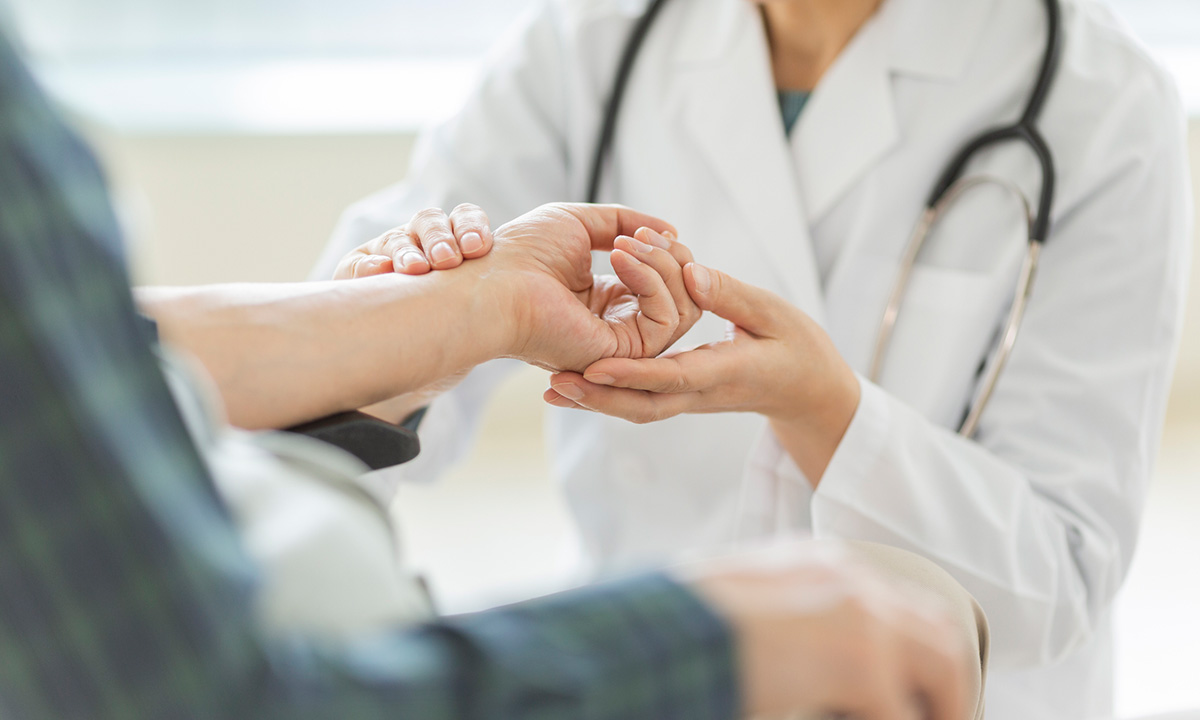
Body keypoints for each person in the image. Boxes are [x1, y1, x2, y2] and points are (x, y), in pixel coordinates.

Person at [0, 33, 990, 719]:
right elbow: (216, 702)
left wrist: (472, 308)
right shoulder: (587, 38)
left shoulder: (1099, 99)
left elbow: (93, 361)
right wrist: (702, 640)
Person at [315, 0, 1193, 718]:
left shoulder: (1105, 106)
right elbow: (316, 411)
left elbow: (1061, 570)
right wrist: (418, 323)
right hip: (656, 675)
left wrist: (828, 412)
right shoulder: (584, 48)